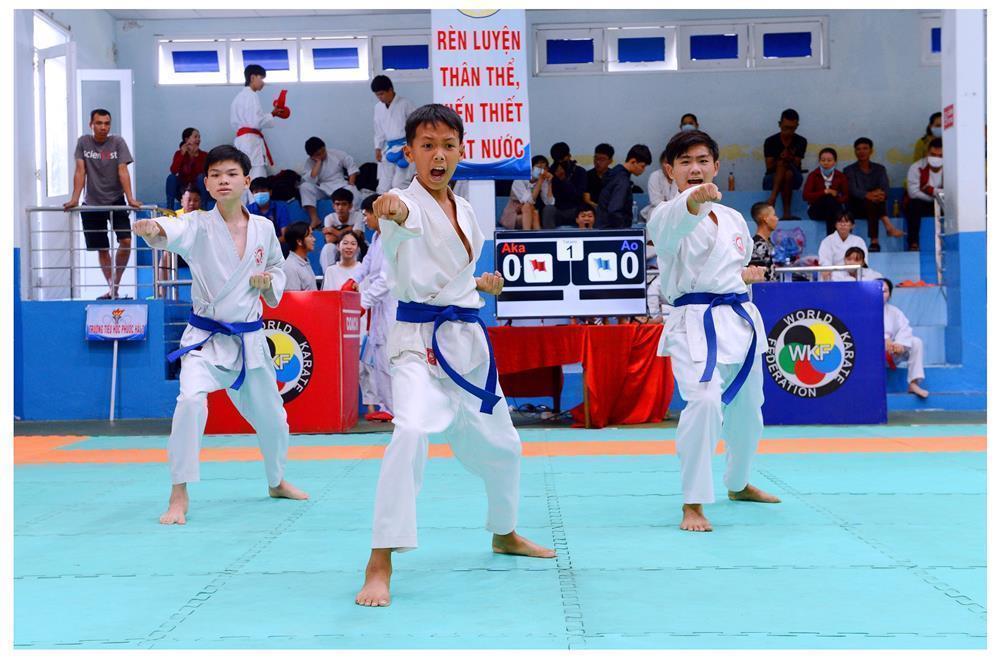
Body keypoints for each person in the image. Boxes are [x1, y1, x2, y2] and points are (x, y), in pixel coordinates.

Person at [354, 104, 555, 608]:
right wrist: (387, 207)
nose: (438, 155)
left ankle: (504, 532)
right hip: (418, 344)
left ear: (461, 151)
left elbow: (449, 272)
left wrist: (479, 285)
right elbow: (396, 217)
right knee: (410, 432)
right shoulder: (403, 202)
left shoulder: (464, 210)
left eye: (448, 145)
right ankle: (380, 560)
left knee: (505, 445)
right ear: (410, 153)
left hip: (466, 342)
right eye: (427, 146)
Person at [132, 145, 308, 525]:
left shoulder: (263, 229)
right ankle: (178, 492)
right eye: (215, 175)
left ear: (247, 181)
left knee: (274, 418)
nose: (223, 180)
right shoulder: (197, 224)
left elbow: (277, 268)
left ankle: (276, 480)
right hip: (205, 339)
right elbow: (172, 229)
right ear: (207, 184)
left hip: (250, 341)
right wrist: (154, 228)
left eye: (231, 174)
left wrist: (269, 281)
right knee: (190, 401)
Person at [647, 128, 780, 533]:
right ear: (669, 170)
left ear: (716, 166)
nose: (695, 168)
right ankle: (693, 502)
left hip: (738, 320)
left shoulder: (735, 219)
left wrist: (744, 276)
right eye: (685, 162)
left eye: (702, 161)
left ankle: (738, 483)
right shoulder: (665, 215)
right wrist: (694, 199)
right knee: (704, 403)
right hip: (694, 324)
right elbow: (678, 221)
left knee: (749, 410)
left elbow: (726, 269)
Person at [64, 108, 142, 300]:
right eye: (99, 123)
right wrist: (74, 199)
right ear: (91, 124)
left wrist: (130, 198)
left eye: (107, 123)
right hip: (92, 204)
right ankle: (112, 289)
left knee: (126, 241)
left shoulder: (117, 142)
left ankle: (115, 283)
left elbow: (123, 170)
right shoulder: (83, 142)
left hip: (116, 200)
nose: (103, 127)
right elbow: (80, 171)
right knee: (103, 248)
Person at [355, 193, 396, 423]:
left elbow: (386, 280)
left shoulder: (392, 237)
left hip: (391, 305)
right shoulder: (377, 237)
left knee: (389, 357)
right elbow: (367, 265)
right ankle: (386, 406)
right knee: (379, 358)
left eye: (366, 214)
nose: (365, 219)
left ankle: (397, 409)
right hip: (378, 306)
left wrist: (363, 302)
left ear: (377, 213)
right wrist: (353, 280)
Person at [843, 137, 904, 251]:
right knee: (871, 201)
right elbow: (853, 190)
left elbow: (885, 189)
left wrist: (879, 195)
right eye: (858, 149)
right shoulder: (849, 170)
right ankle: (881, 234)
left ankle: (876, 240)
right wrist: (868, 195)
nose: (861, 151)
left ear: (871, 151)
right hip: (856, 207)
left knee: (873, 202)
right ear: (855, 151)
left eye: (865, 148)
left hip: (874, 205)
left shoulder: (879, 169)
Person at [231, 64, 284, 182]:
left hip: (241, 141)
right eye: (261, 78)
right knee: (257, 175)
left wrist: (272, 114)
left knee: (243, 175)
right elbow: (256, 121)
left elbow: (248, 120)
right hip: (251, 142)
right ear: (252, 77)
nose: (263, 83)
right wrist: (272, 114)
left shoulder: (238, 98)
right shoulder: (252, 95)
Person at [881, 278, 929, 399]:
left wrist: (900, 344)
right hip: (872, 357)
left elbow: (905, 329)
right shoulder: (863, 311)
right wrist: (883, 340)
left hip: (892, 353)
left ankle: (913, 383)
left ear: (890, 295)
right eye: (878, 291)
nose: (881, 294)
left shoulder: (894, 312)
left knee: (916, 342)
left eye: (885, 291)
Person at [299, 136, 361, 228]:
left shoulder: (336, 154)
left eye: (323, 151)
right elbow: (311, 179)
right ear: (312, 156)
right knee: (304, 187)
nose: (322, 155)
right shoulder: (309, 162)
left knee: (352, 190)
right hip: (322, 188)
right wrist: (318, 162)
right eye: (318, 154)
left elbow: (351, 166)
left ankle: (351, 220)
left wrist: (351, 182)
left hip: (339, 185)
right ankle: (315, 219)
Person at [371, 75, 416, 194]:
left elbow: (416, 127)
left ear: (390, 90)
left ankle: (403, 205)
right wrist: (378, 148)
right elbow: (378, 130)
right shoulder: (378, 107)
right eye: (377, 95)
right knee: (383, 185)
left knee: (399, 184)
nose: (380, 97)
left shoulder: (406, 104)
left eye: (382, 94)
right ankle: (381, 206)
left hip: (406, 147)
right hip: (388, 148)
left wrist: (412, 146)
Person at [762, 108, 807, 220]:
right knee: (785, 170)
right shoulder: (770, 141)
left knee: (788, 171)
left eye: (792, 128)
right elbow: (769, 166)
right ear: (780, 124)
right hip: (771, 179)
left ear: (797, 126)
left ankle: (772, 199)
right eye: (786, 128)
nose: (788, 131)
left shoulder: (801, 141)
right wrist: (781, 158)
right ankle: (787, 213)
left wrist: (789, 158)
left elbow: (796, 164)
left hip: (794, 178)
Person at [157, 185, 202, 296]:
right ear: (182, 201)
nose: (192, 203)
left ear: (200, 202)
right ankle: (161, 295)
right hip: (179, 254)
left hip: (198, 254)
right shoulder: (173, 216)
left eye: (195, 200)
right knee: (166, 255)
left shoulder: (205, 217)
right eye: (189, 200)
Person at [596, 144, 652, 229]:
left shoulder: (614, 173)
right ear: (633, 161)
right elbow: (615, 209)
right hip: (612, 229)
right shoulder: (622, 181)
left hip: (603, 226)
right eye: (642, 166)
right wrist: (624, 229)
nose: (643, 170)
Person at [904, 137, 943, 251]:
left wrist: (931, 190)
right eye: (933, 154)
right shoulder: (916, 167)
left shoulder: (951, 168)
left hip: (943, 202)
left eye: (940, 155)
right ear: (927, 153)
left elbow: (953, 191)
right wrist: (934, 197)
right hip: (923, 203)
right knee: (913, 205)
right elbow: (913, 193)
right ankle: (913, 242)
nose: (936, 158)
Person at [802, 147, 850, 235]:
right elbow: (805, 196)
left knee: (831, 203)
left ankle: (831, 237)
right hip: (816, 210)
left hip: (834, 209)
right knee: (828, 200)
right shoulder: (813, 175)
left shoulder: (840, 176)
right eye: (823, 160)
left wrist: (836, 195)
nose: (826, 163)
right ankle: (835, 237)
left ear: (835, 162)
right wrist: (824, 192)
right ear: (819, 161)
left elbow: (845, 196)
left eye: (829, 160)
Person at [500, 155, 552, 230]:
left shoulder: (542, 181)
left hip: (529, 212)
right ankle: (529, 234)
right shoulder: (519, 180)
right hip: (513, 215)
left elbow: (549, 202)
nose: (541, 171)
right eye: (539, 167)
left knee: (534, 213)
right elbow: (529, 201)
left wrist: (549, 183)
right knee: (529, 208)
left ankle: (533, 236)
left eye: (544, 168)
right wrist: (540, 180)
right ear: (531, 167)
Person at [546, 142, 588, 228]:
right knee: (548, 210)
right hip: (557, 209)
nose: (560, 162)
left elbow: (578, 196)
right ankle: (549, 235)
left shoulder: (579, 171)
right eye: (557, 160)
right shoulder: (550, 173)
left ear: (569, 156)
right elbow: (549, 199)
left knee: (585, 212)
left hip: (575, 209)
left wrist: (564, 180)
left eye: (562, 159)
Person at [246, 177, 292, 256]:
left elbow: (285, 236)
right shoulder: (248, 210)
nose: (260, 194)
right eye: (256, 192)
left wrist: (267, 245)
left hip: (277, 245)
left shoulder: (280, 207)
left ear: (270, 192)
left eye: (263, 191)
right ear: (252, 194)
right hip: (256, 248)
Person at [818, 212, 868, 281]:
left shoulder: (859, 241)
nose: (843, 224)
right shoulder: (827, 241)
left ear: (852, 225)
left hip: (854, 274)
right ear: (835, 225)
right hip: (834, 275)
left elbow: (863, 262)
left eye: (846, 221)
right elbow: (825, 262)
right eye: (840, 221)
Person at [167, 127, 208, 207]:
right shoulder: (179, 154)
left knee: (201, 177)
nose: (198, 139)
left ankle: (203, 208)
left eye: (199, 137)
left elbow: (204, 173)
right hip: (182, 190)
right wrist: (182, 154)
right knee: (171, 178)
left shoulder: (204, 155)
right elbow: (173, 171)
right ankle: (170, 208)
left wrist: (195, 156)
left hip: (198, 190)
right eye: (195, 137)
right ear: (186, 140)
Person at [640, 148, 679, 221]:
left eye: (671, 163)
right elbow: (655, 200)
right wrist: (670, 205)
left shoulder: (679, 177)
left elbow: (681, 199)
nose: (668, 166)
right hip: (658, 210)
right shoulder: (655, 176)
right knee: (653, 213)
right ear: (661, 163)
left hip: (676, 210)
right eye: (666, 162)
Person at [282, 222, 318, 291]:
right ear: (299, 241)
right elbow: (293, 297)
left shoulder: (304, 261)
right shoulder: (290, 267)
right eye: (310, 236)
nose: (314, 239)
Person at [749, 201, 778, 281]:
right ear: (766, 219)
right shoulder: (758, 245)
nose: (777, 218)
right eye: (774, 215)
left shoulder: (768, 243)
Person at [582, 143, 615, 211]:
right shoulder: (587, 175)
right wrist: (600, 208)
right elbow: (587, 199)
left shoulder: (615, 176)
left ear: (610, 161)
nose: (598, 162)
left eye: (602, 159)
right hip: (592, 210)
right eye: (596, 158)